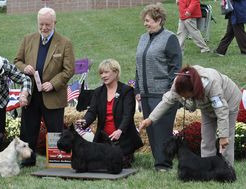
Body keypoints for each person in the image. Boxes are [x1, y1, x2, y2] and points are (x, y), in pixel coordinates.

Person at [139, 65, 242, 166]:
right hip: (207, 107)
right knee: (206, 139)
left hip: (229, 101)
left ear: (194, 90)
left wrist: (223, 136)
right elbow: (167, 100)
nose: (183, 97)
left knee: (226, 140)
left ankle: (227, 169)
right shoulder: (179, 84)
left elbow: (221, 110)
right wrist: (150, 119)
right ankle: (207, 168)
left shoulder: (211, 84)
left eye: (185, 95)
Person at [14, 7, 75, 167]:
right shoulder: (28, 39)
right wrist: (24, 67)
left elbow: (69, 70)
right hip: (31, 94)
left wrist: (53, 83)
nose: (44, 28)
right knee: (28, 130)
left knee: (55, 131)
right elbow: (16, 61)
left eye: (47, 24)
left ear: (55, 23)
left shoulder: (65, 43)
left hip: (53, 96)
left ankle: (57, 161)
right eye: (41, 24)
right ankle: (27, 160)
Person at [135, 3, 182, 172]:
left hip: (163, 94)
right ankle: (158, 162)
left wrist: (170, 91)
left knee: (162, 129)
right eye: (145, 21)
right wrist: (137, 90)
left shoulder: (170, 38)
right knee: (152, 131)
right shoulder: (143, 38)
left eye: (148, 21)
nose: (145, 24)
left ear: (159, 20)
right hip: (146, 93)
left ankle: (164, 164)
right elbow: (138, 66)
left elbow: (175, 67)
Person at [75, 59, 143, 168]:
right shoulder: (98, 92)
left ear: (116, 73)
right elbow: (92, 112)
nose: (103, 76)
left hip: (122, 139)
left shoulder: (127, 91)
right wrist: (84, 121)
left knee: (118, 164)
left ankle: (128, 154)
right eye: (101, 73)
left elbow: (128, 115)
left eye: (106, 72)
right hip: (103, 140)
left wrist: (120, 130)